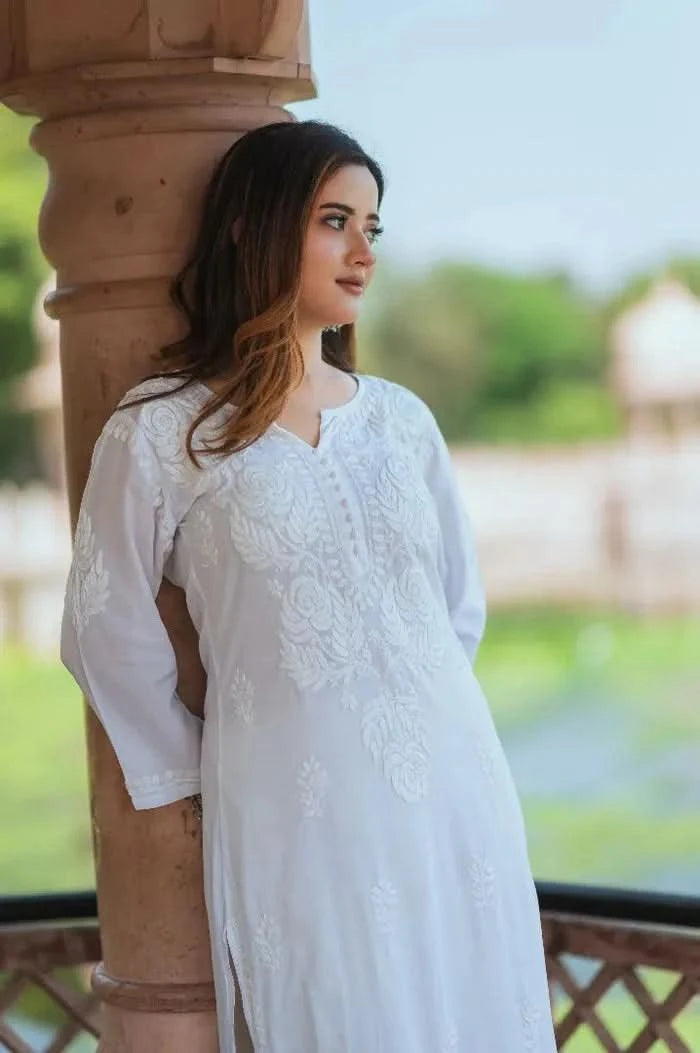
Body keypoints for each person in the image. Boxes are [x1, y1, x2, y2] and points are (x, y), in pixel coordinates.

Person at [60, 119, 558, 1053]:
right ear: (254, 227)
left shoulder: (403, 423)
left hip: (455, 788)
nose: (364, 250)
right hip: (295, 801)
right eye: (336, 220)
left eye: (375, 226)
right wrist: (197, 766)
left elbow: (456, 606)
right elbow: (103, 625)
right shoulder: (167, 429)